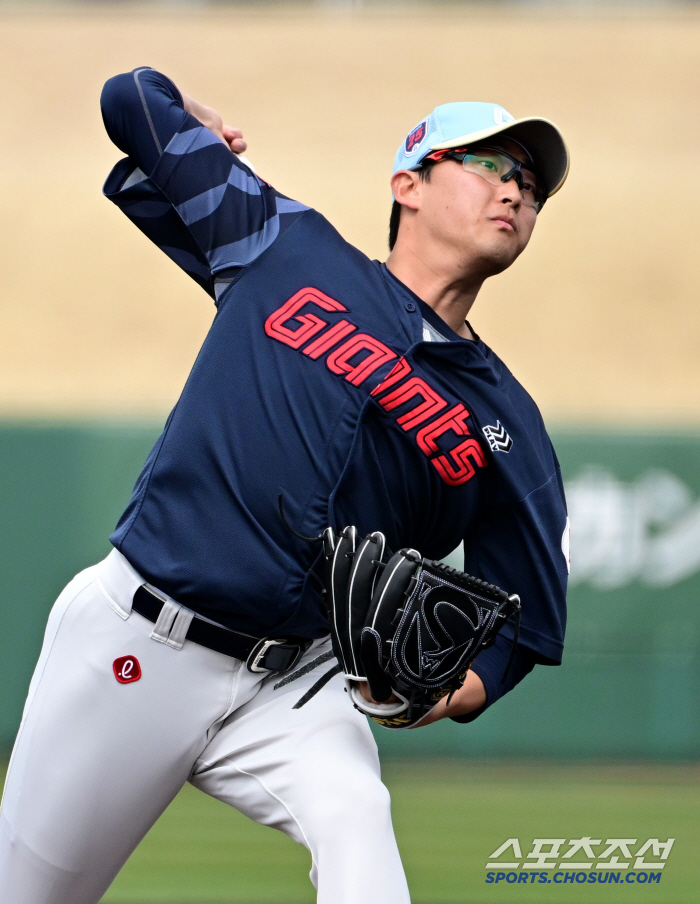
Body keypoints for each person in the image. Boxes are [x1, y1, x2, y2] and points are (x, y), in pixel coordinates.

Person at [0, 68, 570, 904]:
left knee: (357, 821)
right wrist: (201, 120)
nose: (517, 189)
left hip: (298, 685)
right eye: (491, 164)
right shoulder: (284, 244)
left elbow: (525, 619)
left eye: (531, 183)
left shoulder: (505, 422)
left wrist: (446, 693)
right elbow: (130, 100)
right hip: (138, 641)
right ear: (406, 183)